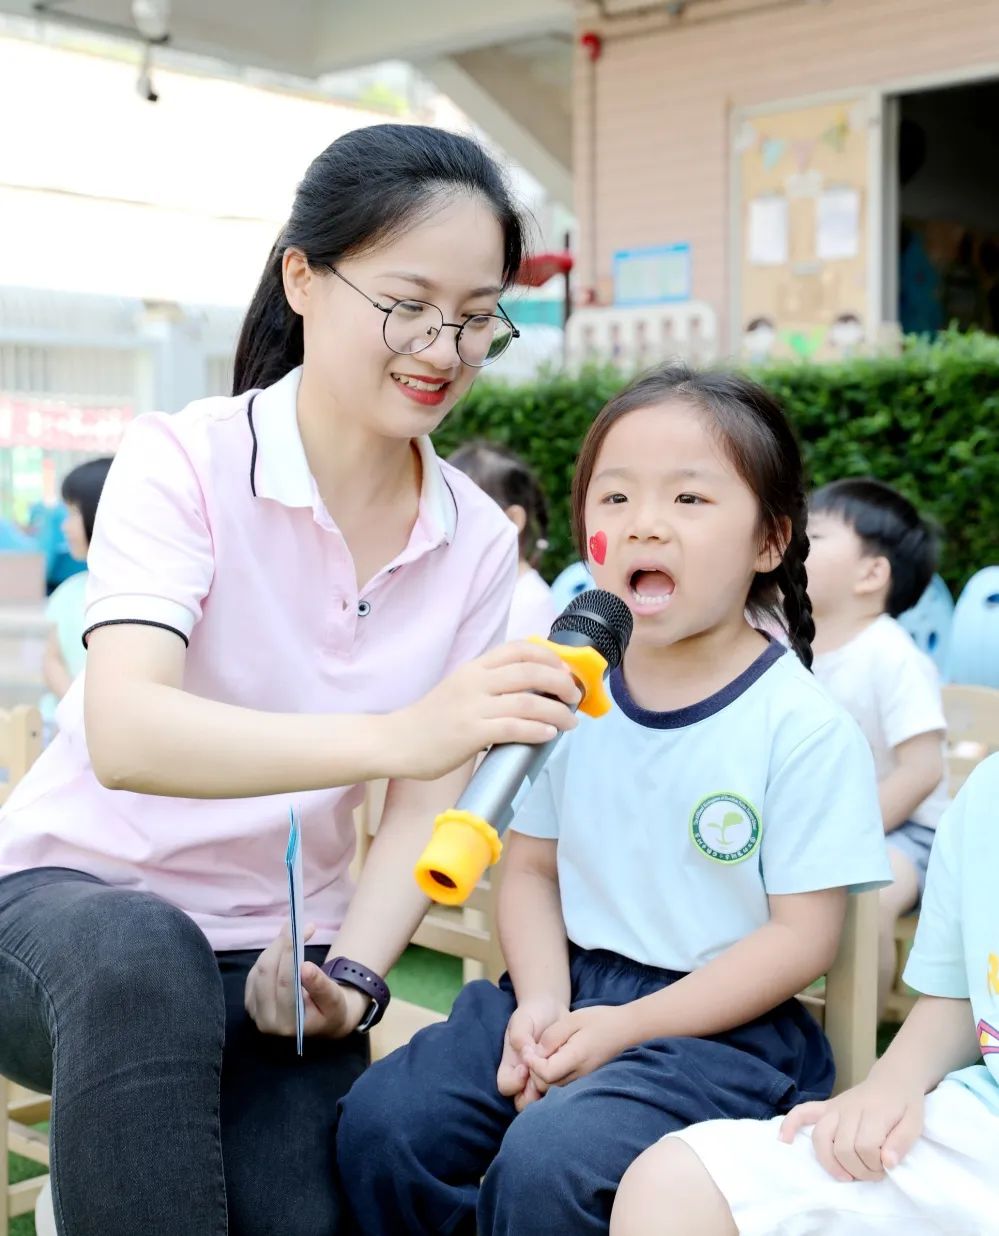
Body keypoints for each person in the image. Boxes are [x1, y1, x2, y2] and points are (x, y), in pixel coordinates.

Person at [0, 124, 581, 1236]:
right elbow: (127, 731)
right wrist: (397, 733)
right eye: (408, 302)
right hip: (63, 926)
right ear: (304, 279)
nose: (442, 347)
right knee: (144, 953)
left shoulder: (473, 545)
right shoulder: (183, 461)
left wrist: (354, 976)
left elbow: (421, 813)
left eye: (475, 315)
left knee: (301, 1214)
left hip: (279, 959)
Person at [335, 366, 893, 1235]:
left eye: (689, 500)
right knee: (389, 1123)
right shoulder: (567, 690)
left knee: (553, 1159)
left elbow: (800, 940)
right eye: (615, 496)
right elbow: (528, 869)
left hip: (718, 1033)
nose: (644, 524)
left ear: (770, 541)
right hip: (561, 984)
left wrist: (621, 1029)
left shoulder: (803, 728)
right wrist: (546, 1008)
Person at [611, 754, 999, 1236]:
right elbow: (964, 991)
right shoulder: (987, 794)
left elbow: (918, 767)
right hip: (980, 1126)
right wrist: (892, 1082)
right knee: (671, 1184)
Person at [805, 478, 948, 1014]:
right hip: (826, 830)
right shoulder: (791, 650)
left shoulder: (892, 655)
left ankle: (859, 1049)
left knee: (868, 900)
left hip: (910, 833)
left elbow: (922, 770)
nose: (794, 541)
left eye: (813, 536)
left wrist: (851, 837)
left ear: (871, 573)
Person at [448, 440, 558, 639]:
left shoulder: (529, 603)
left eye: (461, 512)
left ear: (512, 521)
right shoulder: (485, 591)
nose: (448, 525)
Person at [40, 457, 114, 723]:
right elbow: (52, 660)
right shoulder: (68, 591)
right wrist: (77, 708)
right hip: (63, 725)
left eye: (73, 512)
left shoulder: (137, 597)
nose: (64, 526)